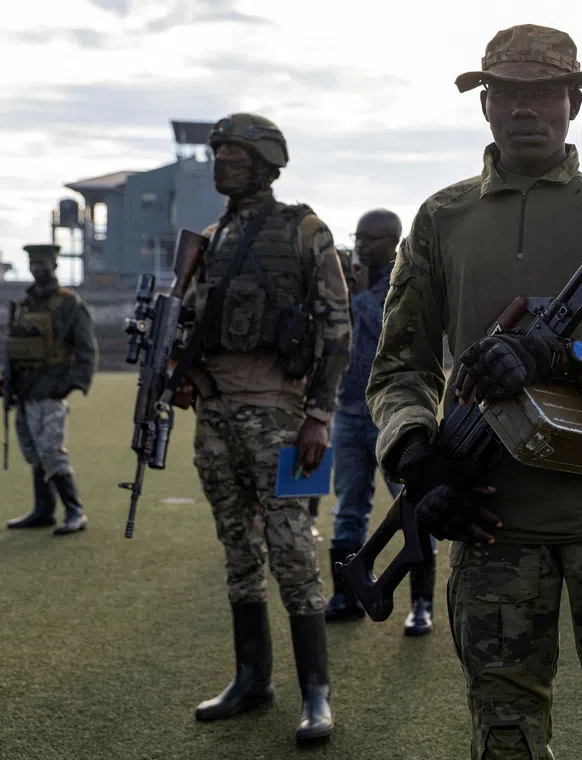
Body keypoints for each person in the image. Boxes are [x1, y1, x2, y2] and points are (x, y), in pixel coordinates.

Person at [366, 24, 582, 760]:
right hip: (492, 525)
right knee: (506, 732)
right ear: (485, 105)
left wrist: (572, 354)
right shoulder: (440, 219)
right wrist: (418, 459)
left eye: (544, 92)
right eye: (509, 92)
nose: (526, 109)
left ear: (573, 105)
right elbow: (400, 368)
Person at [176, 113, 350, 744]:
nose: (221, 161)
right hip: (218, 417)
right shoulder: (213, 238)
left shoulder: (304, 230)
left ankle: (316, 694)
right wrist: (185, 374)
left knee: (293, 548)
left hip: (285, 416)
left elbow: (337, 329)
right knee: (237, 548)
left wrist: (320, 416)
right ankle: (252, 679)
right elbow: (193, 325)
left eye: (234, 153)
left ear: (267, 162)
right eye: (218, 151)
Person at [324, 208, 438, 635]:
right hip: (347, 412)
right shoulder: (349, 280)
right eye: (358, 237)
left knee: (415, 509)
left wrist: (359, 297)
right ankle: (344, 595)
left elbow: (389, 332)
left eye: (370, 239)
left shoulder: (402, 279)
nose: (360, 245)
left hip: (393, 415)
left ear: (393, 240)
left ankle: (420, 606)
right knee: (348, 509)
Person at [4, 243, 97, 535]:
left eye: (42, 264)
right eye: (33, 264)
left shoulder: (68, 303)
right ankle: (44, 510)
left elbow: (86, 348)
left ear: (54, 265)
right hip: (25, 390)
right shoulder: (26, 304)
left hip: (51, 388)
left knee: (51, 451)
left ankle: (74, 511)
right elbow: (15, 348)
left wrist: (72, 384)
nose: (36, 269)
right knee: (33, 452)